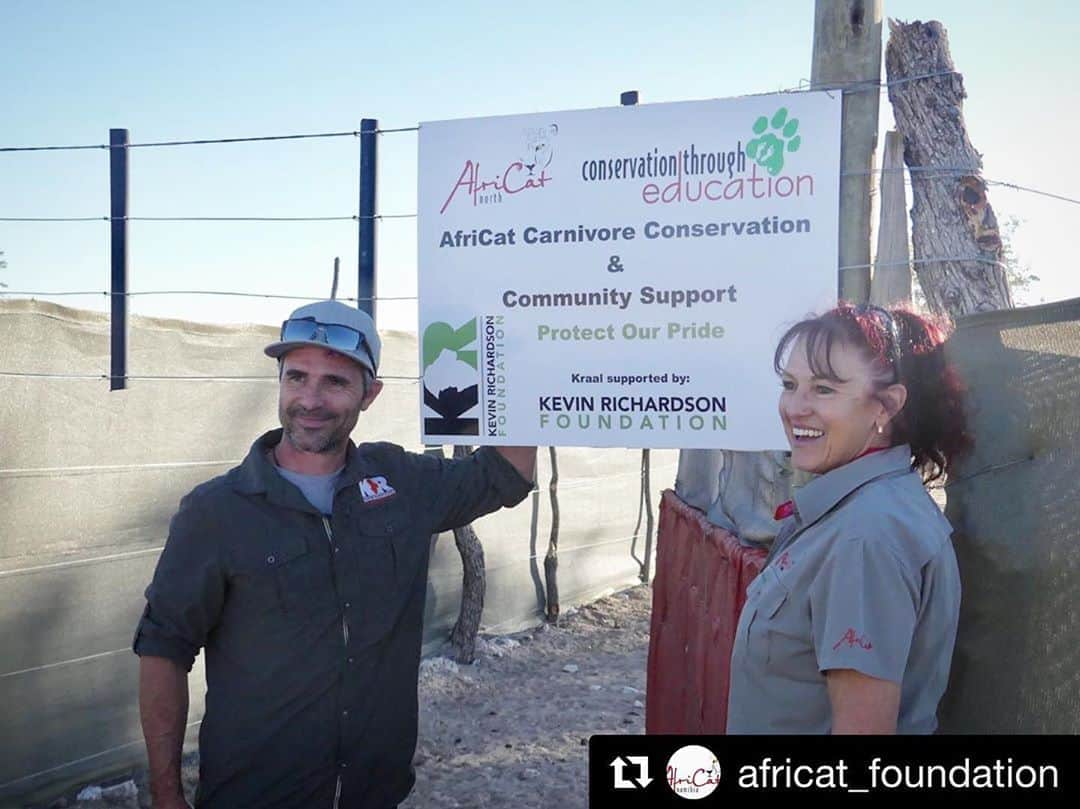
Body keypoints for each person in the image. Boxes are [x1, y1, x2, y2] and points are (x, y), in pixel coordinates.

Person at [133, 300, 537, 808]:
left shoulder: (401, 483)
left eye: (336, 382)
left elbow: (505, 472)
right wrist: (166, 797)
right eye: (297, 377)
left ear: (371, 394)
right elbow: (163, 650)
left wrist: (523, 356)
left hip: (374, 792)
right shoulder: (215, 512)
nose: (310, 399)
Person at [726, 302, 971, 734]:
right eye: (789, 384)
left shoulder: (865, 536)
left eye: (824, 389)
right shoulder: (860, 508)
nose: (794, 407)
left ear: (887, 405)